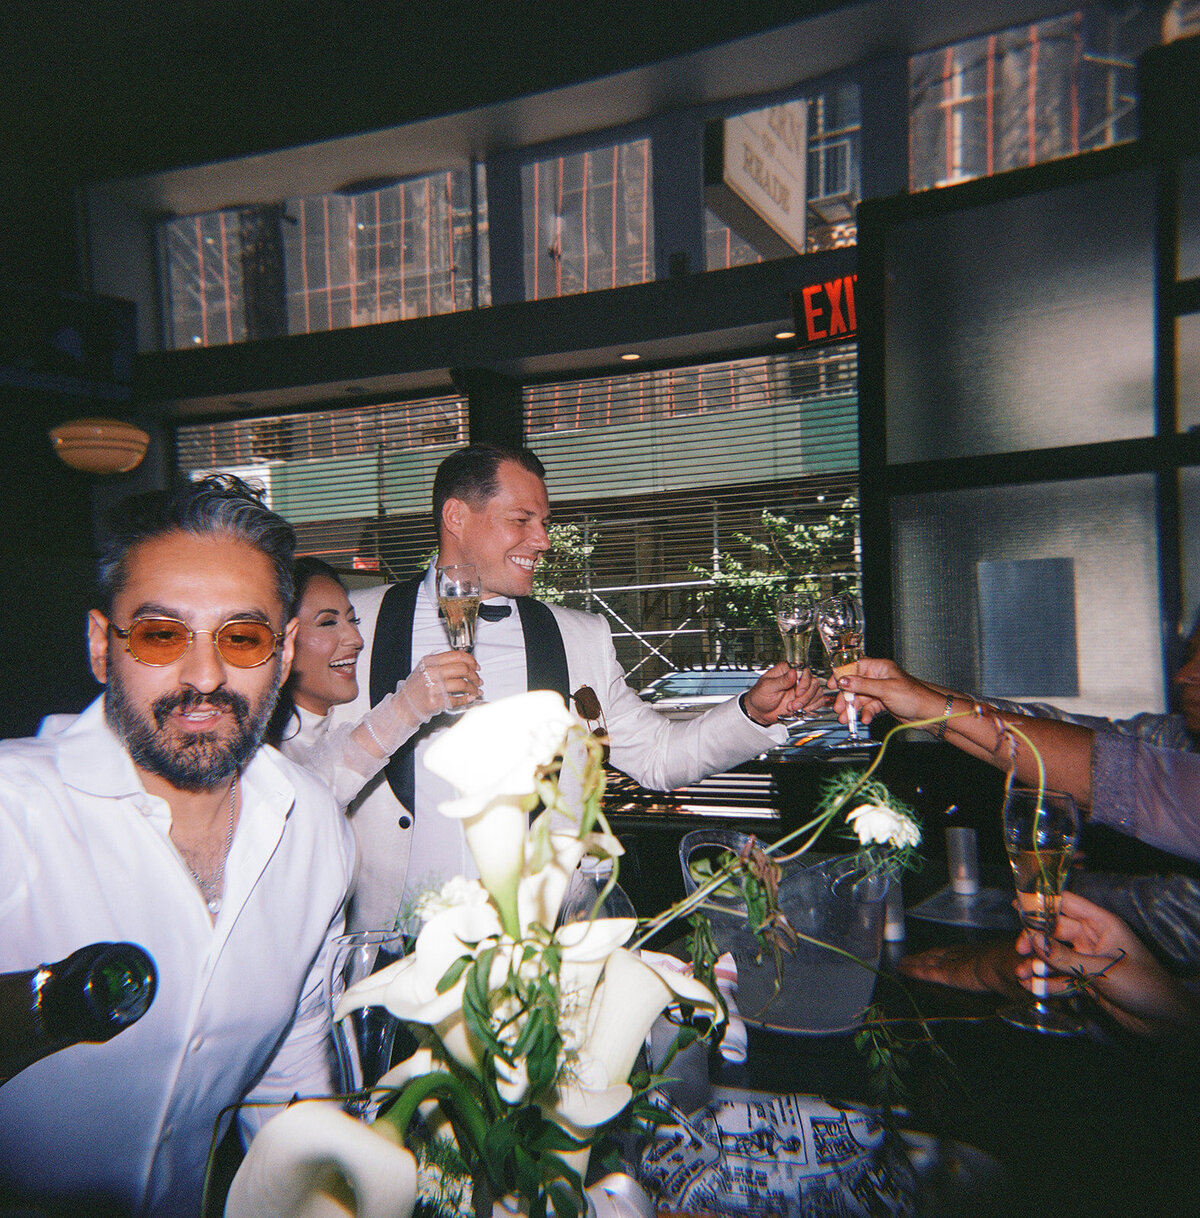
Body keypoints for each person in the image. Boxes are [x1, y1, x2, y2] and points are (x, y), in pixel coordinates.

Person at [0, 475, 356, 1217]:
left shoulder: (314, 827)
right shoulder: (13, 813)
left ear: (285, 651)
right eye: (161, 635)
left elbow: (290, 1085)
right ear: (102, 646)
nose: (204, 676)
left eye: (242, 637)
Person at [329, 442, 825, 932]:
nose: (543, 540)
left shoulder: (577, 637)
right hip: (389, 947)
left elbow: (658, 756)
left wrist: (753, 712)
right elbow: (308, 776)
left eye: (544, 522)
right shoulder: (356, 625)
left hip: (541, 950)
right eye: (522, 520)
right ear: (456, 517)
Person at [830, 631, 1200, 865]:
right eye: (1191, 655)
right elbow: (1054, 732)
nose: (1184, 675)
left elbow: (1110, 774)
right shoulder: (1174, 736)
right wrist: (915, 696)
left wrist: (927, 705)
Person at [268, 557, 480, 808]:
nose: (356, 639)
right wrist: (404, 709)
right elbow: (301, 809)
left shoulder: (333, 732)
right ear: (283, 643)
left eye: (353, 621)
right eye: (327, 623)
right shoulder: (261, 757)